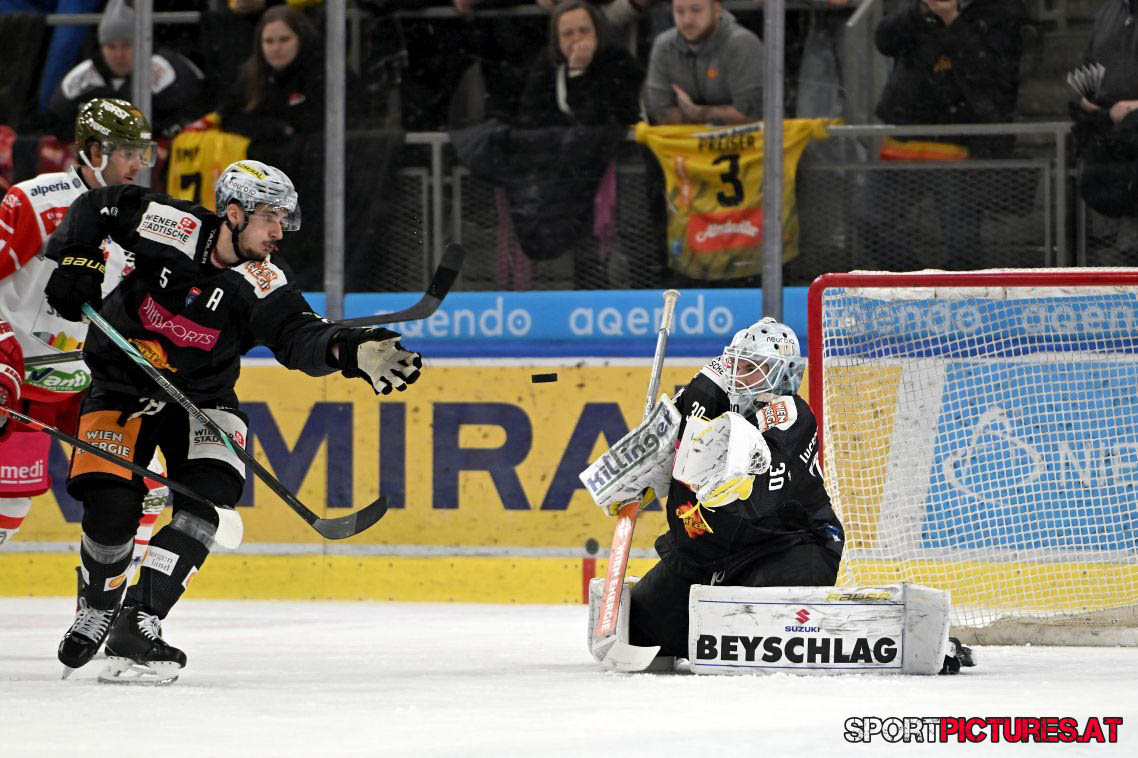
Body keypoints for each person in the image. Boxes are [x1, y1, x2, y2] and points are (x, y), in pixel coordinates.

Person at [44, 159, 423, 683]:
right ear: (234, 212)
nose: (277, 233)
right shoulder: (170, 224)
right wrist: (80, 261)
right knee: (111, 502)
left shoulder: (262, 280)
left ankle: (139, 617)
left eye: (283, 221)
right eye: (269, 217)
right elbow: (99, 203)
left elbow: (299, 333)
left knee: (211, 495)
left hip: (202, 397)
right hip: (123, 382)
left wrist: (350, 351)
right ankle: (99, 603)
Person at [597, 318, 845, 658]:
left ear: (782, 376)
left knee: (758, 636)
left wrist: (729, 477)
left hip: (786, 546)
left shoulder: (791, 417)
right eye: (737, 363)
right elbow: (664, 442)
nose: (738, 373)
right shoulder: (707, 389)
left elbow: (758, 497)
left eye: (752, 368)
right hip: (705, 555)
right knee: (641, 633)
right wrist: (638, 474)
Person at [0, 98, 169, 562]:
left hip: (84, 385)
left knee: (147, 486)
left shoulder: (145, 220)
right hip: (15, 383)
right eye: (127, 152)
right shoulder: (35, 201)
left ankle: (109, 614)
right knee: (7, 500)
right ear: (94, 151)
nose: (138, 164)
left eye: (143, 153)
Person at [860, 0, 1025, 270]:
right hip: (908, 134)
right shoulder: (918, 9)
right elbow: (884, 39)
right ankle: (914, 287)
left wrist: (952, 19)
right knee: (870, 218)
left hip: (963, 138)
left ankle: (960, 301)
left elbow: (992, 70)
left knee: (961, 242)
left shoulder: (999, 11)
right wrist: (919, 12)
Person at [46, 0, 209, 140]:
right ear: (101, 47)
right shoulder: (79, 81)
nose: (119, 54)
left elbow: (193, 117)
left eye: (127, 45)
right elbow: (57, 127)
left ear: (143, 42)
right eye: (111, 47)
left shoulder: (169, 73)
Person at [1069, 0, 1138, 261]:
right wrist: (1087, 98)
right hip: (1113, 145)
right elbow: (1089, 67)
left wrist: (1134, 107)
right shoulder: (1109, 11)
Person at [516, 0, 644, 128]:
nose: (576, 38)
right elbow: (531, 118)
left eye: (584, 30)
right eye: (567, 34)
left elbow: (602, 121)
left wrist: (578, 72)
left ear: (597, 33)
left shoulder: (618, 60)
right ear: (557, 41)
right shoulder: (548, 63)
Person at [643, 0, 764, 126]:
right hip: (684, 144)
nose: (687, 20)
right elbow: (660, 113)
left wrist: (698, 113)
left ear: (717, 9)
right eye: (679, 12)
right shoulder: (664, 46)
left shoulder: (742, 44)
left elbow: (752, 115)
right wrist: (714, 115)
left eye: (696, 10)